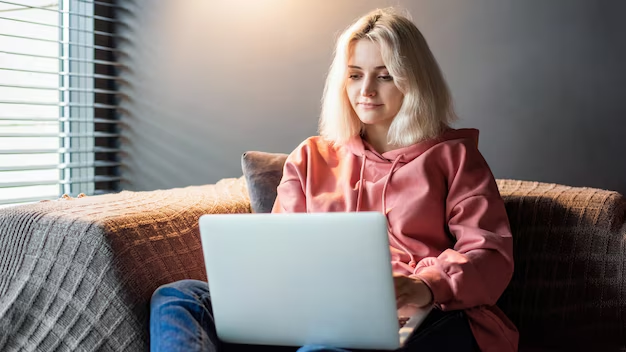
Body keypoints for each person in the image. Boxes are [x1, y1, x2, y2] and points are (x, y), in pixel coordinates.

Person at [150, 8, 518, 352]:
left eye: (385, 75)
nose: (366, 90)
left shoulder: (455, 157)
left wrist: (424, 285)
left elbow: (489, 254)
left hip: (425, 311)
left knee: (328, 344)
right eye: (355, 74)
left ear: (414, 80)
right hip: (317, 304)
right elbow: (281, 248)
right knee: (180, 297)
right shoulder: (311, 157)